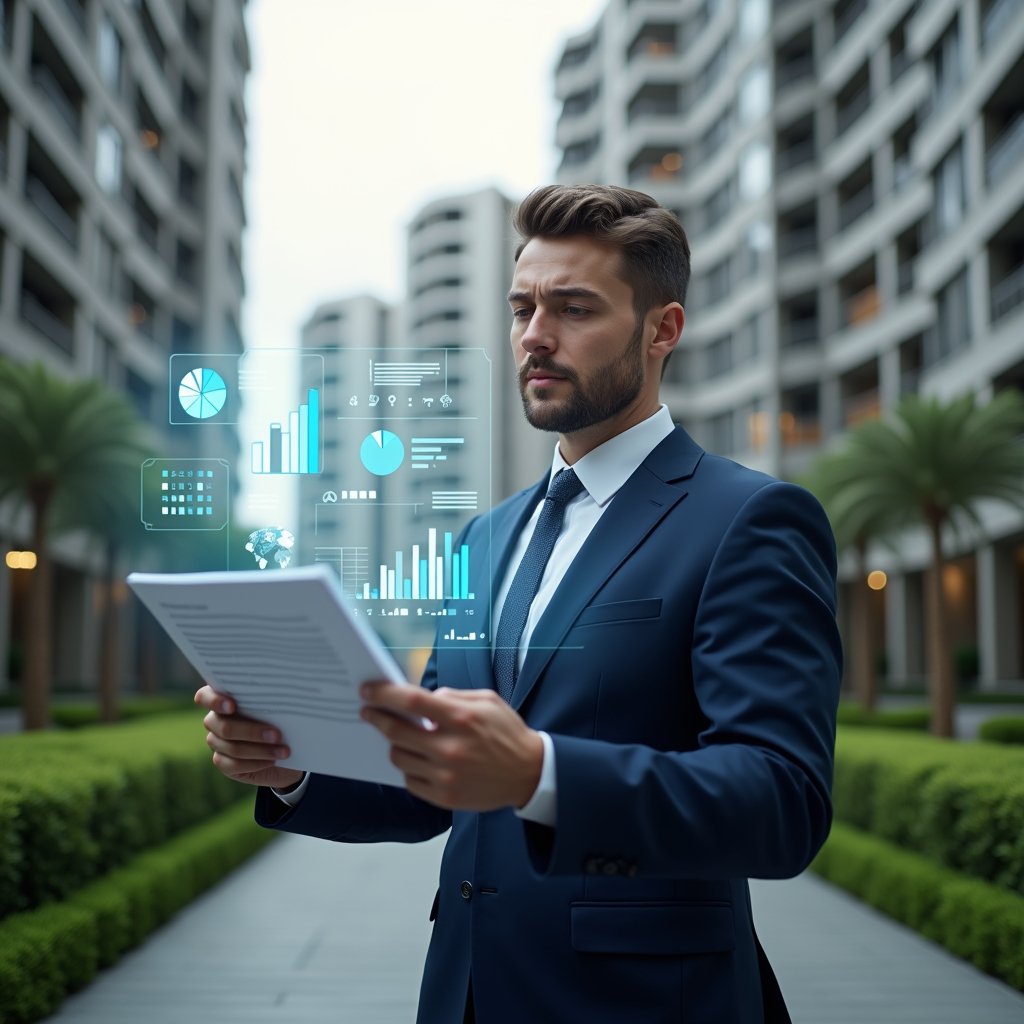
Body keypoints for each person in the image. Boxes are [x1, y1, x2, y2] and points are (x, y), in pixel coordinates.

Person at [196, 184, 842, 1024]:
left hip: (645, 1004)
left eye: (574, 308)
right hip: (464, 994)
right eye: (522, 308)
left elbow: (783, 800)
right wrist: (293, 766)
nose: (535, 335)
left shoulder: (748, 519)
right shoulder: (486, 537)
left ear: (662, 330)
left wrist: (543, 774)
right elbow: (431, 780)